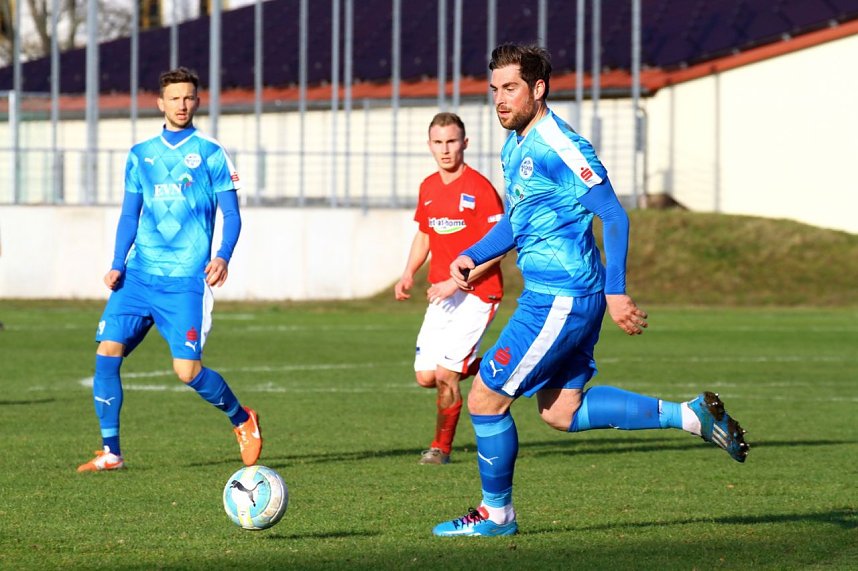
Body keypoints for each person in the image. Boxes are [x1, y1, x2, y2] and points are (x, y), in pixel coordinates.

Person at [432, 44, 749, 536]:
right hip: (556, 297)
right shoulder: (515, 144)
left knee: (485, 399)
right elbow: (520, 222)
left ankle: (496, 515)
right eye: (494, 89)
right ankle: (689, 417)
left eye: (510, 88)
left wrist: (617, 291)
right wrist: (474, 254)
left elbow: (614, 214)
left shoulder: (559, 145)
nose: (499, 99)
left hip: (559, 299)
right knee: (562, 411)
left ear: (538, 89)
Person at [77, 67, 262, 472]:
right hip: (138, 277)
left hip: (184, 284)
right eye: (174, 98)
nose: (182, 104)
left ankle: (242, 418)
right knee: (106, 355)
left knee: (187, 371)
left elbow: (232, 214)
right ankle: (112, 452)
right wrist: (115, 264)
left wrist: (223, 255)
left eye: (189, 97)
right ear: (160, 103)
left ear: (198, 102)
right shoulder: (140, 154)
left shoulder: (211, 152)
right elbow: (130, 214)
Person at [394, 112, 505, 465]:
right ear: (430, 145)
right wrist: (408, 272)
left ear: (465, 144)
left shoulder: (480, 188)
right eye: (439, 142)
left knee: (445, 374)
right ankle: (499, 363)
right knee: (426, 376)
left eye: (452, 141)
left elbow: (499, 246)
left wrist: (456, 280)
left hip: (479, 292)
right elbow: (424, 234)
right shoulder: (428, 187)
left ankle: (440, 448)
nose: (445, 149)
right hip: (443, 293)